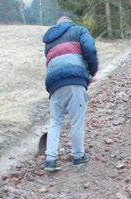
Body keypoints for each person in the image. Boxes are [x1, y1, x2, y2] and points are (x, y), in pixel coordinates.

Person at [43, 16, 98, 172]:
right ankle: (78, 157)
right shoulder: (79, 30)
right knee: (76, 121)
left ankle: (50, 160)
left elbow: (50, 62)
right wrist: (91, 72)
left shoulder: (49, 41)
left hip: (54, 83)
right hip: (74, 81)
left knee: (55, 122)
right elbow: (90, 49)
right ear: (70, 22)